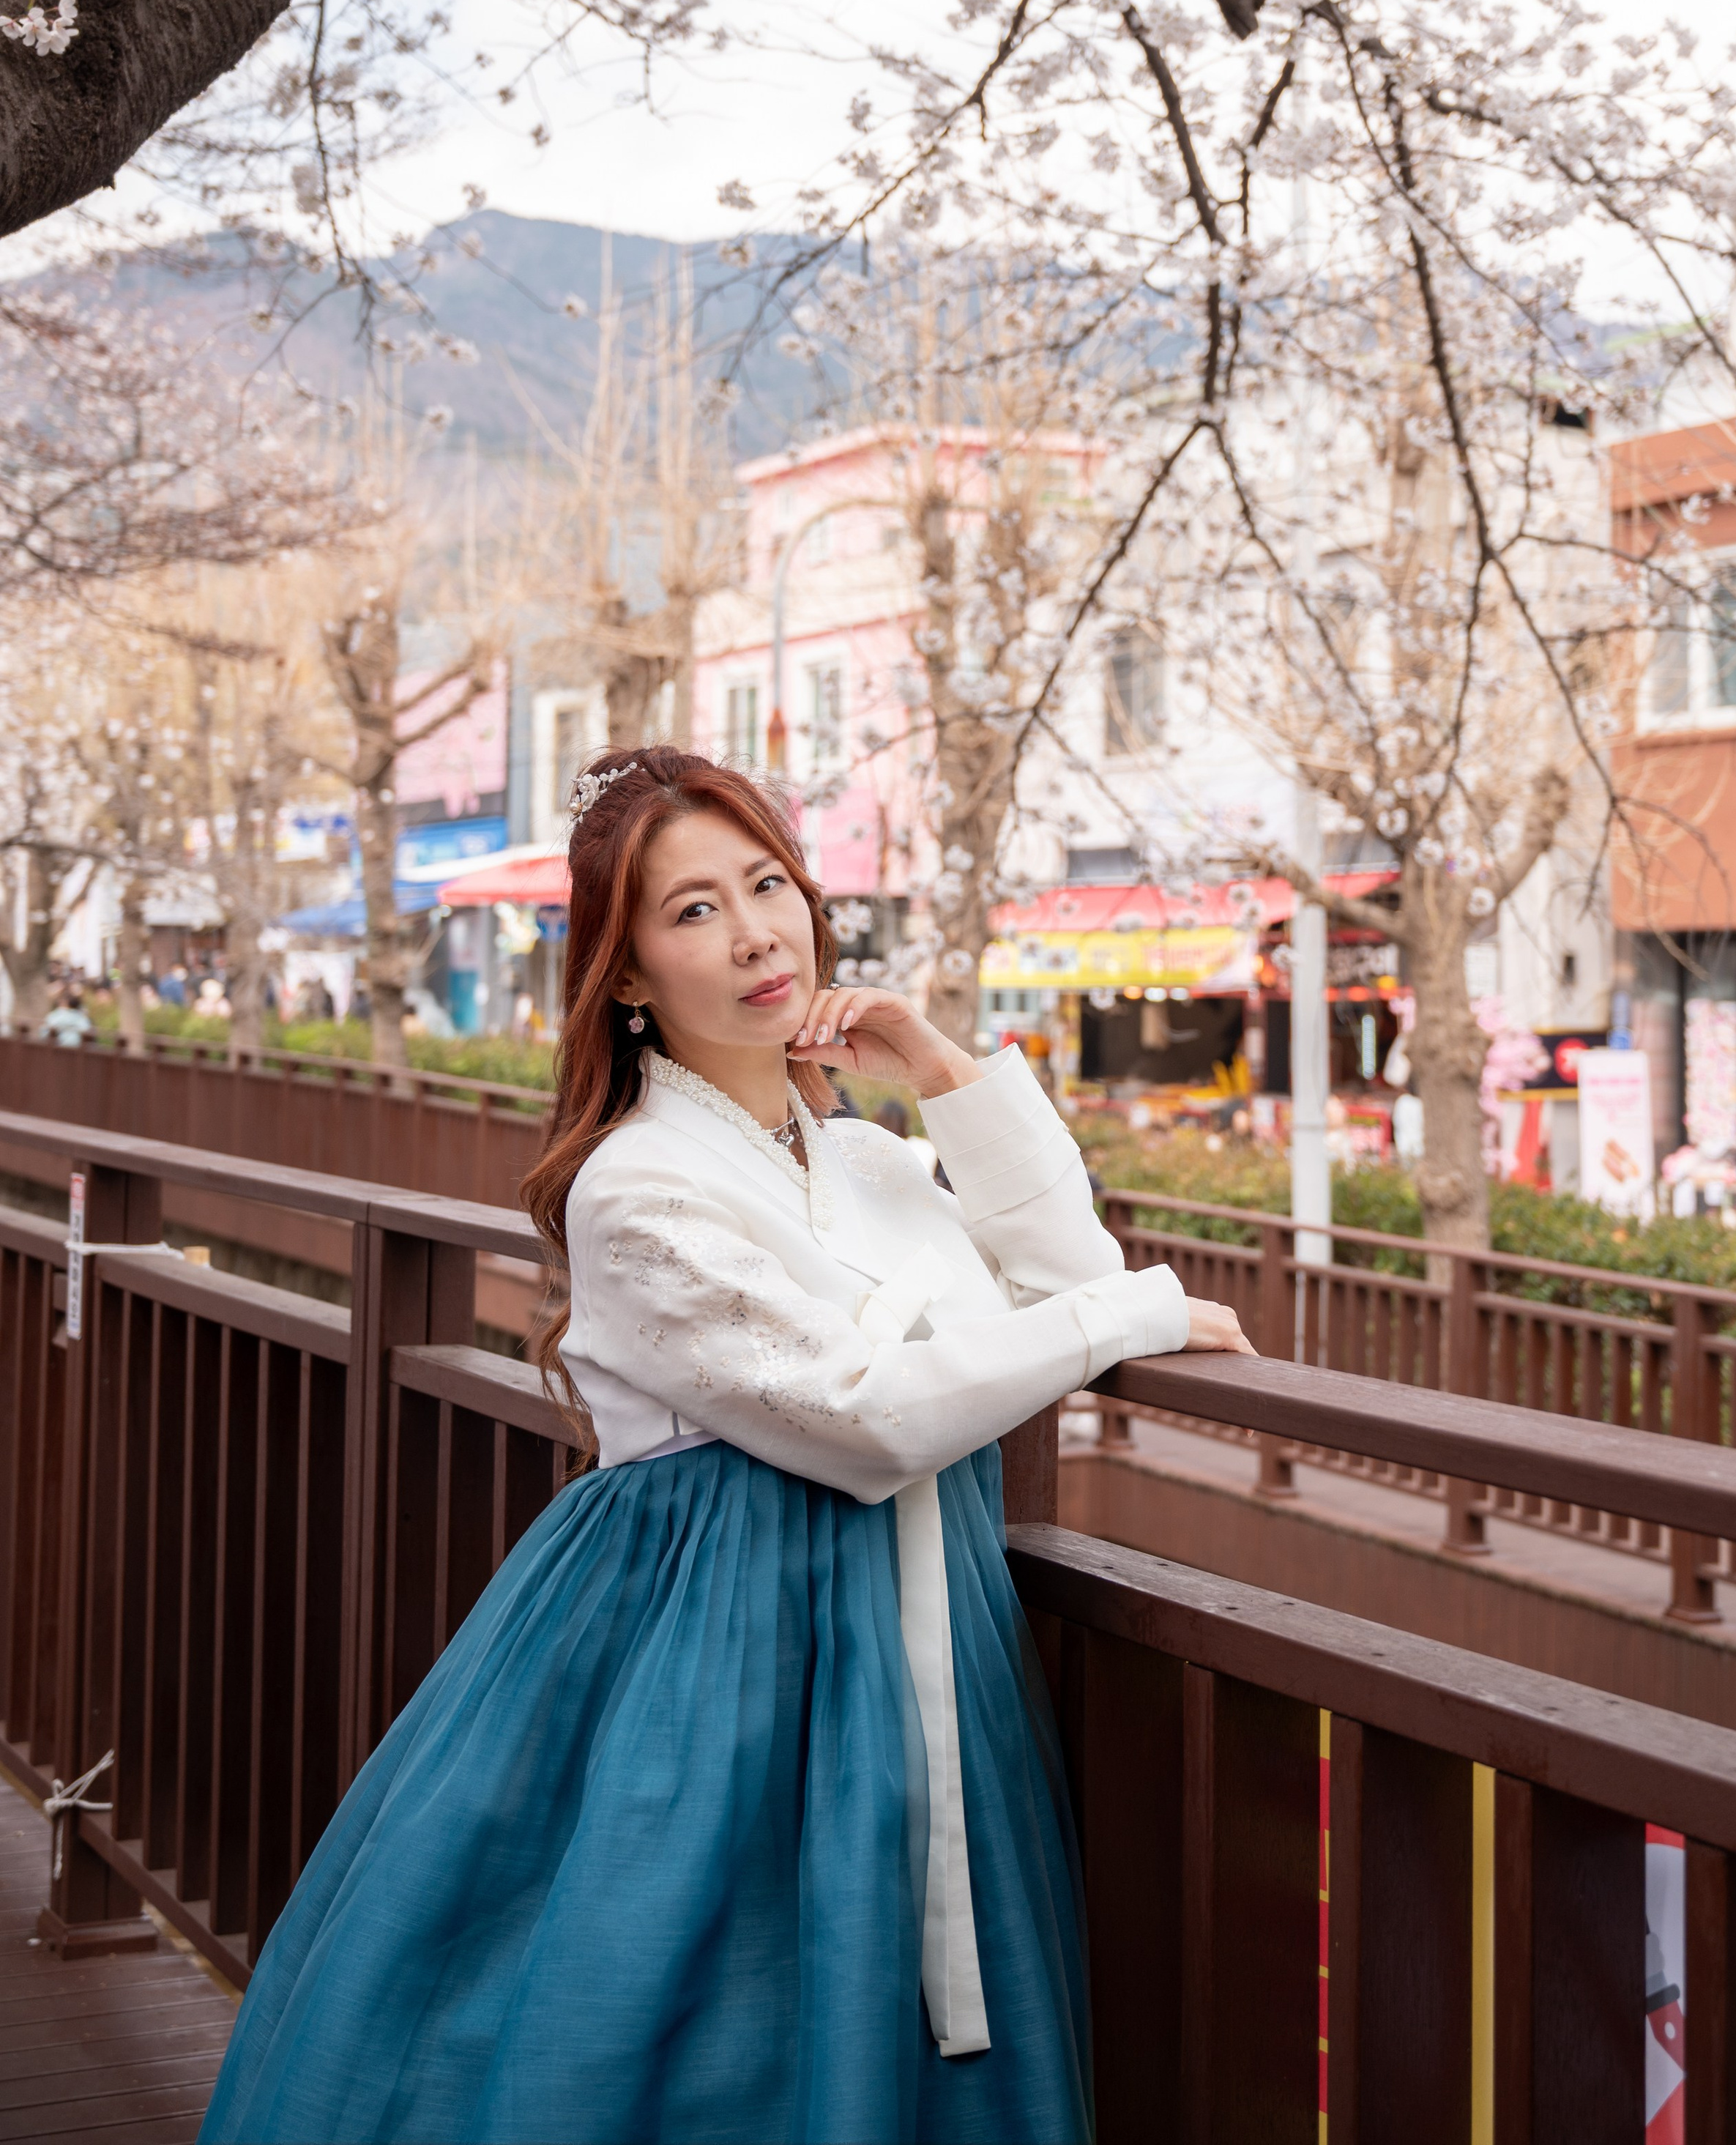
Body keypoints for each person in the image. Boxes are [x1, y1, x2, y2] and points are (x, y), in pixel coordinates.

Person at [199, 746, 1251, 2144]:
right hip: (706, 1654)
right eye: (692, 910)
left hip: (916, 1646)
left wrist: (944, 1070)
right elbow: (875, 1421)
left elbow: (1070, 1273)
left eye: (768, 886)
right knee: (678, 2032)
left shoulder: (872, 1159)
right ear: (624, 974)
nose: (755, 931)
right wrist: (1138, 1311)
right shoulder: (635, 1186)